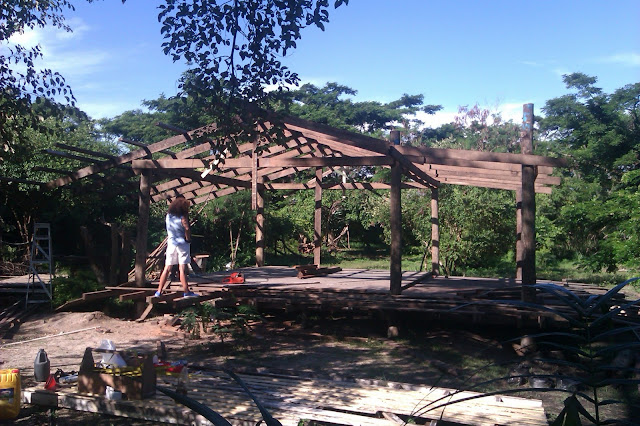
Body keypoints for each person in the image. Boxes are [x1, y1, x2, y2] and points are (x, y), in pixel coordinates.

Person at [155, 196, 199, 298]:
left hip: (171, 243)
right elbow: (187, 228)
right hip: (182, 244)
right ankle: (186, 292)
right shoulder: (182, 217)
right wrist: (188, 239)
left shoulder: (168, 216)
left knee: (167, 268)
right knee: (182, 268)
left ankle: (159, 291)